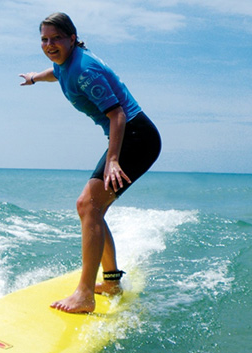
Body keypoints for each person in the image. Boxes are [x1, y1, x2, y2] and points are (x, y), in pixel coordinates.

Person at [19, 12, 161, 313]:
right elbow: (55, 72)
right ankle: (110, 282)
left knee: (87, 206)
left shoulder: (84, 69)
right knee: (93, 210)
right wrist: (34, 77)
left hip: (136, 137)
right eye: (44, 39)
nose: (49, 44)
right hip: (130, 136)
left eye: (56, 38)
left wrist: (112, 159)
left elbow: (118, 114)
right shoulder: (66, 64)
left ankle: (84, 294)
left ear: (72, 38)